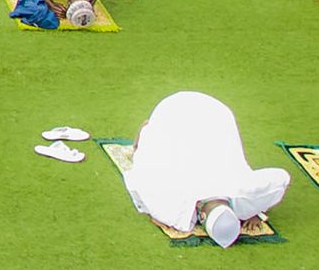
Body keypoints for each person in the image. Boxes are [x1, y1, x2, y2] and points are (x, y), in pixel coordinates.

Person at [123, 92, 289, 248]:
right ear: (202, 217)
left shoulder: (244, 192)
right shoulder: (174, 209)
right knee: (147, 155)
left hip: (214, 115)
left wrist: (254, 208)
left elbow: (281, 179)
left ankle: (151, 131)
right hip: (174, 114)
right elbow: (138, 181)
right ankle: (147, 130)